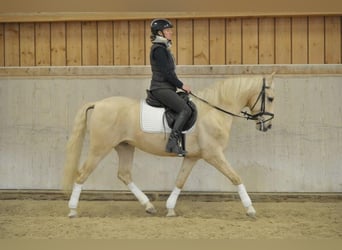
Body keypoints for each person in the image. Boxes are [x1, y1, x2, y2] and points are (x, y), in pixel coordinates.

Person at [148, 18, 192, 156]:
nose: (171, 32)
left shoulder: (164, 48)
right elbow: (167, 73)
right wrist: (181, 85)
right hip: (160, 88)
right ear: (159, 33)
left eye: (170, 30)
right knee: (185, 109)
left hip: (166, 87)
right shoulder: (159, 50)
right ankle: (172, 143)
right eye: (167, 30)